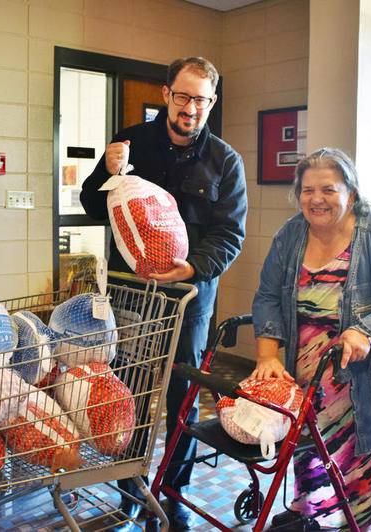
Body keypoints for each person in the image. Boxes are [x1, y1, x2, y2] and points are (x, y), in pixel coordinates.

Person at [80, 56, 247, 530]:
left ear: (211, 102)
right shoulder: (130, 141)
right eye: (182, 96)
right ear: (166, 94)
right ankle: (129, 490)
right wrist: (106, 172)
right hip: (132, 293)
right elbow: (95, 204)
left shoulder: (225, 161)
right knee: (128, 384)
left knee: (182, 393)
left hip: (191, 297)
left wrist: (192, 268)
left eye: (201, 99)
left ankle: (173, 491)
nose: (190, 107)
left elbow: (229, 234)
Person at [251, 147, 371, 531]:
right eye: (307, 190)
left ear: (350, 192)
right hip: (310, 373)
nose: (316, 199)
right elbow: (268, 294)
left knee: (361, 471)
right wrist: (267, 355)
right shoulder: (291, 234)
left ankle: (356, 524)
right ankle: (312, 516)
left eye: (329, 190)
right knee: (313, 457)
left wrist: (366, 331)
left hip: (370, 377)